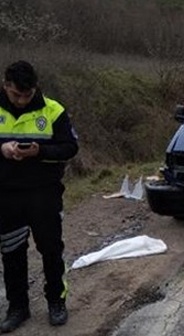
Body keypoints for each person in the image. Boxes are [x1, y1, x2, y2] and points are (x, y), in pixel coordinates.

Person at [0, 60, 78, 332]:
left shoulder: (53, 110)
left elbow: (69, 148)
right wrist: (3, 149)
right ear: (5, 86)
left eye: (27, 94)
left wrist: (40, 152)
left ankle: (57, 301)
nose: (21, 100)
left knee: (51, 249)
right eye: (15, 95)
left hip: (44, 194)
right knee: (12, 253)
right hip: (7, 195)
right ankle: (17, 307)